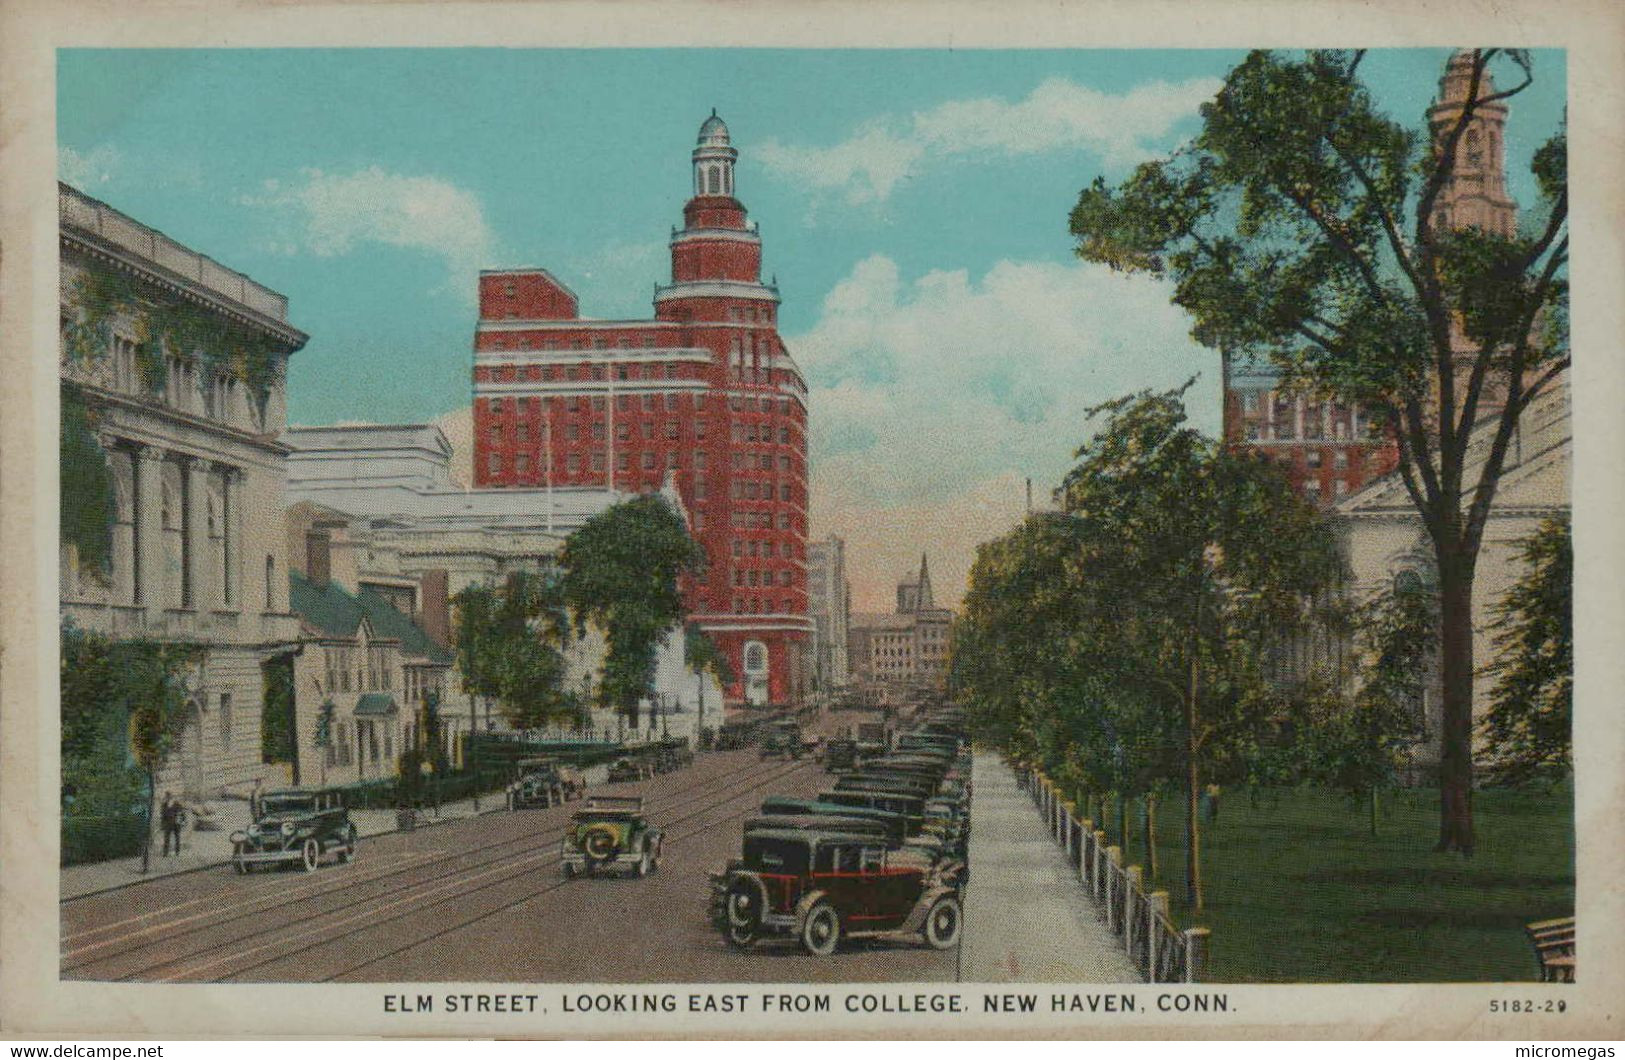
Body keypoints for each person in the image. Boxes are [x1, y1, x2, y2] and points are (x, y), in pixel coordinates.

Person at [159, 792, 184, 856]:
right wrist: (162, 824)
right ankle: (165, 853)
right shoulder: (164, 804)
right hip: (168, 824)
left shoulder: (176, 803)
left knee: (177, 838)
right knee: (167, 839)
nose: (167, 798)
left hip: (176, 824)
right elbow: (162, 815)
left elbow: (181, 812)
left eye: (168, 796)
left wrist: (181, 821)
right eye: (167, 797)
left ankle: (177, 852)